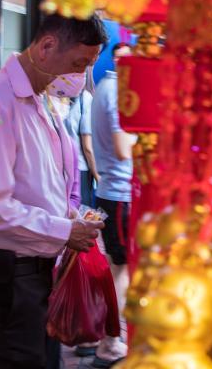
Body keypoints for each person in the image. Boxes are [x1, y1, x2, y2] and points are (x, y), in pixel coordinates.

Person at [0, 14, 108, 369]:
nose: (80, 75)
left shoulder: (36, 101)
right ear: (47, 47)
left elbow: (34, 184)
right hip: (6, 280)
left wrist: (67, 216)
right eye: (78, 64)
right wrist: (64, 229)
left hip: (30, 277)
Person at [90, 42, 135, 367]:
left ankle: (105, 336)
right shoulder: (117, 90)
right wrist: (146, 134)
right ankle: (109, 342)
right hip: (119, 193)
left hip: (110, 191)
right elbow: (122, 147)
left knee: (118, 270)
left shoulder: (105, 86)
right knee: (121, 272)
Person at [64, 67, 100, 207]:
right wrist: (97, 175)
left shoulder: (59, 96)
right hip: (81, 168)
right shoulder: (86, 98)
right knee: (82, 213)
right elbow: (87, 147)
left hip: (62, 166)